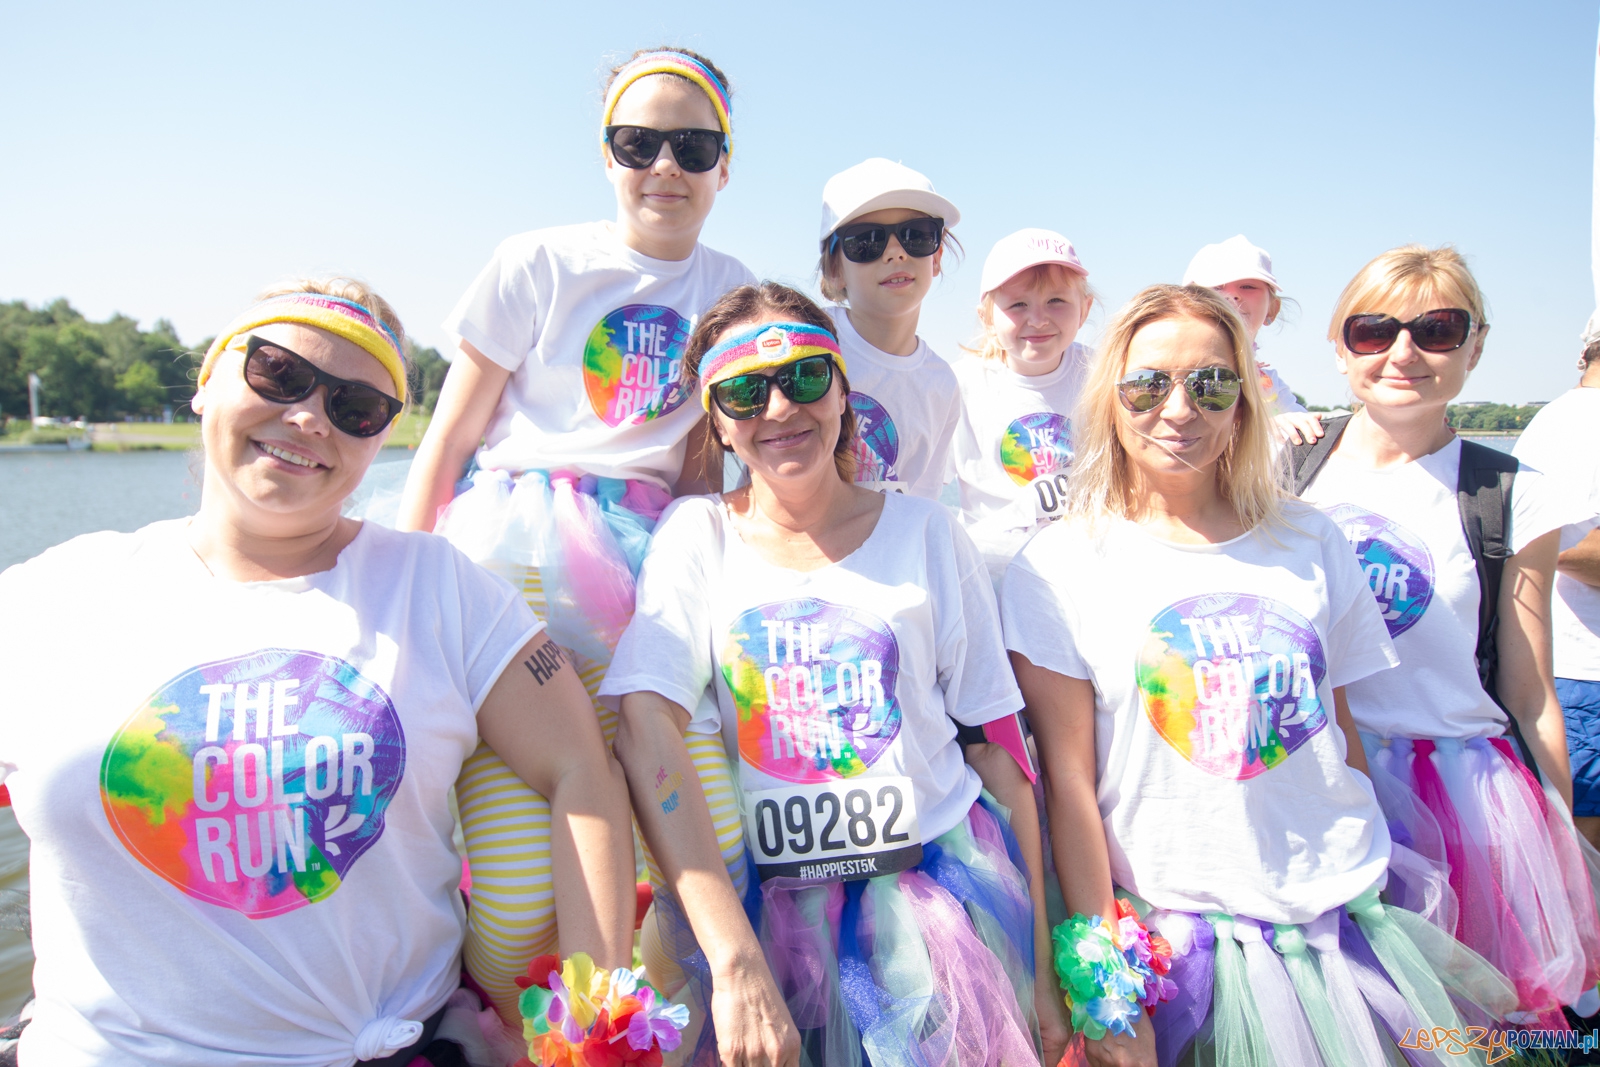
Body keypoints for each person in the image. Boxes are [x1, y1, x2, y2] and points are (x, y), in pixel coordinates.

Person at [0, 280, 636, 1066]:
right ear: (206, 382)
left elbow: (583, 770)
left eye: (356, 407)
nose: (309, 416)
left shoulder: (440, 587)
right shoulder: (48, 597)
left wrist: (594, 1017)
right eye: (278, 373)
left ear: (380, 438)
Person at [1004, 283, 1512, 1066]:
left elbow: (1339, 732)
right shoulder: (1059, 563)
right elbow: (1068, 788)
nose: (1179, 410)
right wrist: (1106, 980)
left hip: (1338, 913)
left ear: (1242, 400)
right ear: (1110, 398)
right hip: (1178, 936)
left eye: (1210, 383)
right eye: (1148, 384)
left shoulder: (1310, 537)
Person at [602, 282, 1058, 1067]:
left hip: (936, 912)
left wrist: (1044, 967)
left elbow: (997, 750)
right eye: (744, 391)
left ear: (844, 391)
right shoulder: (696, 535)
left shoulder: (928, 531)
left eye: (806, 377)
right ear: (716, 419)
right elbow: (646, 723)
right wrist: (733, 958)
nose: (779, 408)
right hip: (768, 921)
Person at [393, 47, 754, 1020]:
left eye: (693, 143)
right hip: (512, 560)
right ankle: (516, 1027)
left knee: (710, 850)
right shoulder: (536, 261)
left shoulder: (732, 287)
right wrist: (392, 602)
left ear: (726, 161)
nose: (664, 166)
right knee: (515, 906)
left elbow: (703, 467)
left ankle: (641, 1028)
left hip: (656, 570)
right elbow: (445, 445)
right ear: (606, 154)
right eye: (638, 142)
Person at [1297, 245, 1600, 1025]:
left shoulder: (1511, 493)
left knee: (1479, 1026)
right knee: (1357, 1024)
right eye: (1373, 330)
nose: (1403, 352)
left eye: (1436, 329)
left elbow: (1530, 693)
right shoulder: (1283, 474)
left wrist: (1557, 841)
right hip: (1324, 789)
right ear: (1339, 345)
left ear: (1475, 345)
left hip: (1466, 798)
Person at [948, 228, 1095, 580]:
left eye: (1056, 301)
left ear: (1085, 309)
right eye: (1018, 304)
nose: (1038, 319)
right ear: (986, 316)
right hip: (993, 574)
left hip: (1085, 568)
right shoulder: (958, 387)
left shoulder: (1103, 377)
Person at [816, 158, 963, 498]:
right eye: (866, 241)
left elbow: (921, 505)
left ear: (937, 257)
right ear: (834, 270)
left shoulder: (942, 385)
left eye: (917, 236)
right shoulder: (808, 337)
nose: (896, 252)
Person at [1514, 311, 1600, 850]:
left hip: (1573, 676)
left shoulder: (1562, 420)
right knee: (1583, 857)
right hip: (1581, 676)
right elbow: (1568, 548)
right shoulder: (1582, 426)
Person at [1183, 234, 1324, 446]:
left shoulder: (1272, 385)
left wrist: (1288, 422)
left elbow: (1305, 425)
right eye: (1216, 288)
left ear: (1273, 309)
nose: (1233, 295)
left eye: (1248, 287)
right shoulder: (1174, 376)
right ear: (1184, 306)